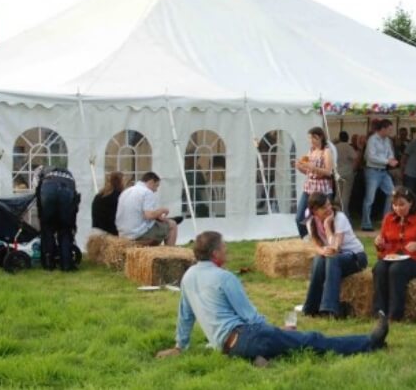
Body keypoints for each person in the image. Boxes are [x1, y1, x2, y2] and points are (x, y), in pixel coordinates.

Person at [156, 231, 388, 367]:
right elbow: (250, 316)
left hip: (226, 347)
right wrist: (274, 330)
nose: (227, 251)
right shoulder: (223, 277)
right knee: (310, 339)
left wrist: (180, 346)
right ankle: (370, 342)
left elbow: (185, 316)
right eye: (224, 248)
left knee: (283, 343)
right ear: (215, 253)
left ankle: (261, 356)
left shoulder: (188, 276)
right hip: (245, 337)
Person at [372, 186, 416, 321]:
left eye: (402, 205)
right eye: (395, 205)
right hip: (392, 257)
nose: (398, 208)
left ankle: (395, 315)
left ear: (411, 203)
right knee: (379, 268)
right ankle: (379, 312)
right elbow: (386, 246)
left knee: (396, 270)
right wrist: (380, 244)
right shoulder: (388, 219)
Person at [302, 193, 368, 318]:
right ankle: (311, 307)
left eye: (328, 205)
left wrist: (327, 226)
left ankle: (329, 308)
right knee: (318, 259)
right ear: (315, 211)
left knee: (332, 259)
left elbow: (335, 248)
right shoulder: (311, 221)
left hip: (356, 257)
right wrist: (322, 252)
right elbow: (317, 245)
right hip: (335, 258)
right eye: (324, 208)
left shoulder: (339, 218)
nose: (328, 209)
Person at [36, 167, 80, 271]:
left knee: (48, 229)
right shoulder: (69, 175)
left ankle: (48, 263)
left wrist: (42, 217)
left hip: (48, 191)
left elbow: (38, 198)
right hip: (67, 192)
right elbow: (75, 201)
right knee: (65, 230)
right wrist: (72, 223)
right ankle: (66, 264)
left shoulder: (44, 175)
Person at [116, 172, 178, 246]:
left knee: (160, 224)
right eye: (156, 186)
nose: (156, 190)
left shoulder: (126, 191)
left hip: (123, 234)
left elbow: (137, 213)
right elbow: (149, 215)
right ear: (151, 182)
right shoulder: (147, 192)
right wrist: (163, 210)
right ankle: (170, 253)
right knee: (172, 224)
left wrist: (157, 216)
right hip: (138, 234)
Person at [295, 127, 335, 238]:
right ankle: (306, 240)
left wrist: (313, 167)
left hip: (321, 189)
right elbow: (309, 172)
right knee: (299, 217)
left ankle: (324, 239)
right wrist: (300, 167)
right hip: (309, 187)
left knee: (321, 218)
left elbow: (328, 172)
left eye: (314, 137)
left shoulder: (326, 151)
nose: (312, 140)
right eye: (310, 138)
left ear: (321, 137)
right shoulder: (311, 151)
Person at [361, 119, 399, 231]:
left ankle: (386, 221)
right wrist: (388, 161)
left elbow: (390, 153)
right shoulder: (372, 140)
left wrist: (391, 158)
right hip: (372, 171)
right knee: (369, 199)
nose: (391, 132)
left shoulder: (387, 140)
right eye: (389, 129)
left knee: (392, 193)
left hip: (383, 171)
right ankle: (366, 224)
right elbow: (370, 157)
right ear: (383, 129)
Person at [91, 171, 124, 236]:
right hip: (109, 232)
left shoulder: (99, 195)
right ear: (120, 182)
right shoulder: (118, 196)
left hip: (96, 230)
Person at [334, 131, 358, 212]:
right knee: (345, 195)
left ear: (339, 138)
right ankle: (344, 213)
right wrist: (353, 169)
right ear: (347, 138)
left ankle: (336, 211)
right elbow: (355, 158)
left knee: (338, 194)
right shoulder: (348, 147)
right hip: (348, 172)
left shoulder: (335, 147)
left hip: (338, 172)